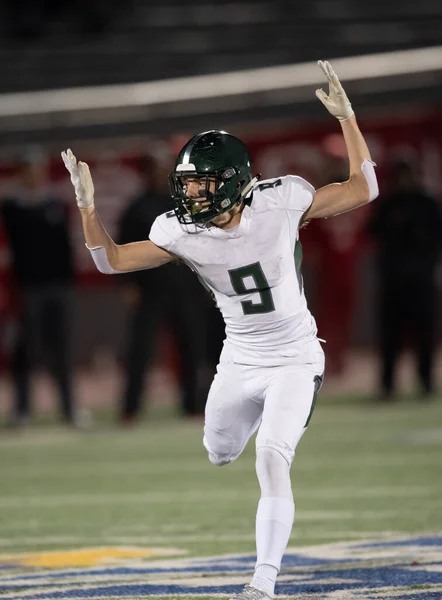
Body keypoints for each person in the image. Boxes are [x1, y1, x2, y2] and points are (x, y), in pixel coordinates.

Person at [62, 60, 378, 600]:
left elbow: (363, 187)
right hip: (239, 360)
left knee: (272, 458)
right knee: (218, 451)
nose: (194, 196)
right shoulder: (179, 231)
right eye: (188, 184)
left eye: (204, 184)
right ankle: (258, 419)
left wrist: (348, 119)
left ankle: (263, 583)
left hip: (296, 356)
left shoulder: (279, 201)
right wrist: (88, 206)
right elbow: (110, 262)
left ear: (235, 182)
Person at [116, 153, 211, 423]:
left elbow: (203, 243)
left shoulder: (185, 204)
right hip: (150, 289)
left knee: (192, 347)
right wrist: (127, 285)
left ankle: (192, 405)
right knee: (141, 350)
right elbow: (122, 247)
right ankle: (130, 409)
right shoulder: (136, 208)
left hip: (185, 287)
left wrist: (208, 280)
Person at [0, 145, 77, 427]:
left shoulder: (56, 203)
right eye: (28, 170)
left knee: (63, 350)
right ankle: (22, 411)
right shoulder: (11, 207)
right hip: (28, 288)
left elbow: (66, 246)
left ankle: (69, 410)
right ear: (20, 173)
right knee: (25, 350)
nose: (34, 175)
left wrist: (70, 282)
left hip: (58, 286)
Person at [369, 159, 441, 399]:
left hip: (422, 281)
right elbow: (373, 232)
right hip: (393, 282)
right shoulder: (387, 204)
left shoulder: (427, 204)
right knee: (390, 338)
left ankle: (426, 382)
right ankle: (387, 385)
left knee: (425, 336)